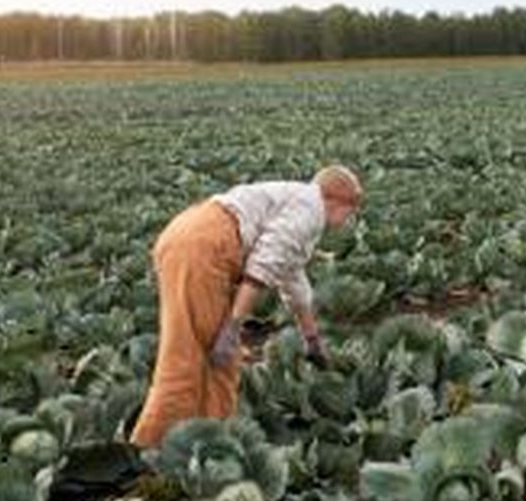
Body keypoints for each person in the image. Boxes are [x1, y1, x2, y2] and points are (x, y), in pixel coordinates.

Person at [130, 165, 363, 448]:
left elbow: (293, 279)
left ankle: (204, 439)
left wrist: (312, 339)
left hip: (190, 236)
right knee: (194, 356)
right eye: (351, 212)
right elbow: (263, 265)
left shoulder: (298, 201)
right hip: (204, 247)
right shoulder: (310, 210)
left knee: (210, 357)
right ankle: (151, 447)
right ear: (340, 201)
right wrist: (233, 326)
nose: (348, 219)